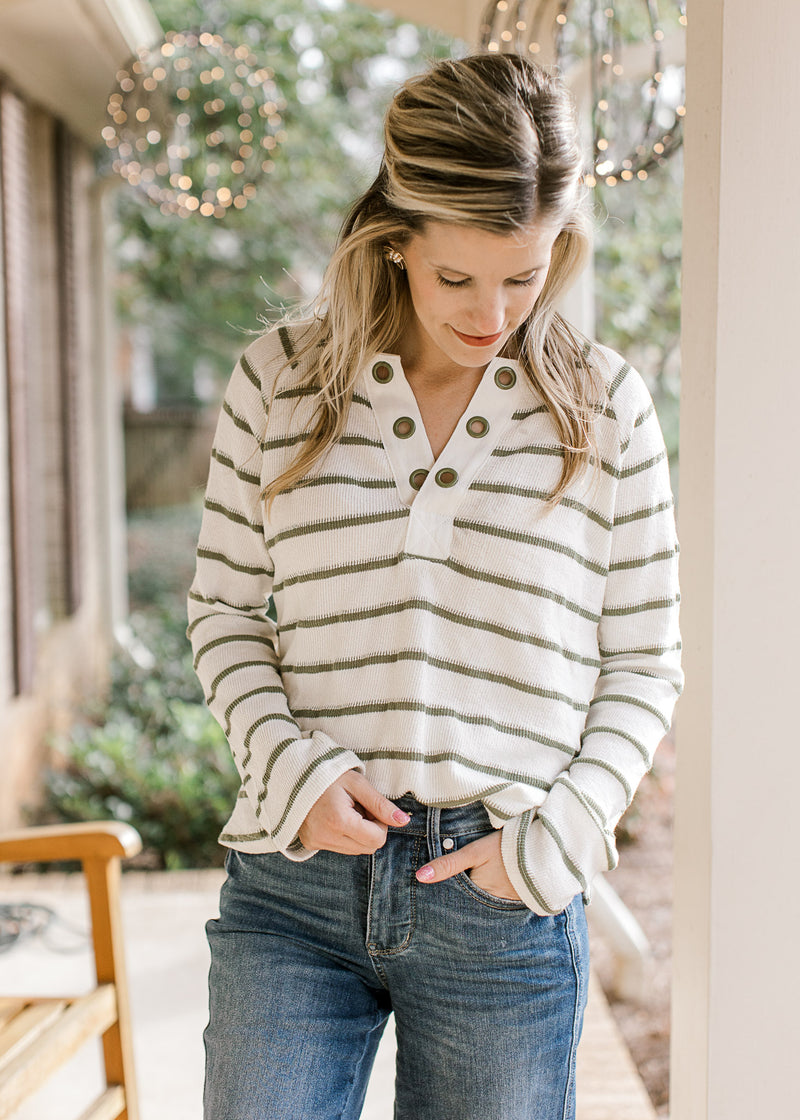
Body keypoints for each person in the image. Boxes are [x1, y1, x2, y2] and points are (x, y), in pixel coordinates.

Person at [188, 52, 682, 1120]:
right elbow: (226, 614)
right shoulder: (277, 382)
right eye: (456, 277)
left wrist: (558, 837)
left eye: (525, 272)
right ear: (394, 237)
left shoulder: (604, 408)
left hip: (499, 893)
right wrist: (287, 766)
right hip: (295, 881)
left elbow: (643, 660)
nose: (493, 309)